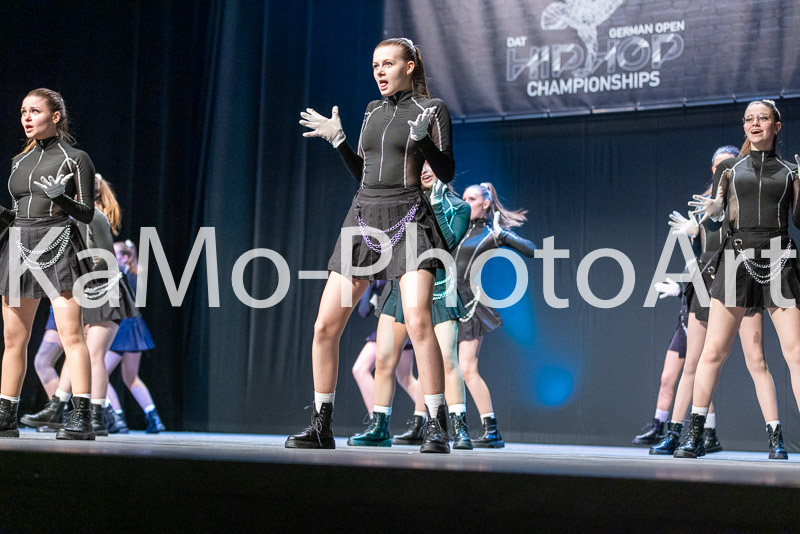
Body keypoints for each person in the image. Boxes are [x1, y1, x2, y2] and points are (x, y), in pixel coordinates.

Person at [288, 37, 455, 453]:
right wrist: (338, 142)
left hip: (409, 218)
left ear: (409, 66)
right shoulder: (371, 111)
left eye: (388, 64)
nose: (379, 71)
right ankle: (321, 424)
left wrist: (425, 142)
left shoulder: (432, 110)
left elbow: (447, 171)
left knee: (417, 321)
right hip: (363, 218)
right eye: (375, 65)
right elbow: (364, 173)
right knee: (325, 326)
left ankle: (437, 425)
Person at [677, 100, 798, 459]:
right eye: (749, 119)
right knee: (714, 351)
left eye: (763, 118)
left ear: (777, 125)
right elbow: (718, 217)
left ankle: (776, 439)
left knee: (795, 353)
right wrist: (715, 212)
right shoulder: (730, 168)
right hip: (737, 257)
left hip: (779, 258)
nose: (755, 123)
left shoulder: (791, 171)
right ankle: (694, 436)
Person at [644, 147, 781, 458]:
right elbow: (705, 252)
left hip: (739, 277)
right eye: (718, 167)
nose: (723, 171)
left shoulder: (748, 196)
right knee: (693, 362)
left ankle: (775, 438)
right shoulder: (707, 202)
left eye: (728, 165)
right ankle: (674, 433)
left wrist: (711, 224)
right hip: (707, 282)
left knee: (756, 360)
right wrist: (698, 233)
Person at [348, 162, 472, 449]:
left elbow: (445, 246)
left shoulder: (459, 207)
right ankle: (379, 427)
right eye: (420, 165)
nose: (425, 170)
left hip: (439, 290)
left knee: (447, 361)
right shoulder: (405, 204)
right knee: (383, 360)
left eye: (431, 164)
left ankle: (457, 429)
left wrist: (437, 206)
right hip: (399, 289)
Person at [0, 88, 96, 440]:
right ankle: (6, 415)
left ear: (55, 116)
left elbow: (87, 213)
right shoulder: (19, 161)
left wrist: (62, 198)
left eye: (35, 111)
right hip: (19, 245)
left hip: (58, 242)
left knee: (71, 334)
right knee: (13, 338)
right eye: (23, 111)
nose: (26, 117)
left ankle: (81, 416)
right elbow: (17, 212)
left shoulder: (76, 158)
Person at [455, 182, 537, 448]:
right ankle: (428, 423)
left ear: (486, 203)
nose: (465, 203)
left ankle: (491, 430)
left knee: (467, 368)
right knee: (438, 366)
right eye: (463, 198)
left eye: (472, 199)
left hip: (469, 304)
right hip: (445, 302)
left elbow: (533, 249)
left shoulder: (491, 234)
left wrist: (504, 235)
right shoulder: (456, 227)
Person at [104, 239, 164, 434]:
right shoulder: (137, 274)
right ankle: (153, 416)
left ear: (125, 257)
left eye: (114, 254)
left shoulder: (120, 275)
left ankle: (117, 417)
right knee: (131, 377)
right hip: (136, 328)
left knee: (99, 373)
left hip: (122, 328)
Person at [350, 280, 420, 418]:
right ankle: (429, 416)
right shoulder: (378, 278)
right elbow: (364, 310)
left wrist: (371, 290)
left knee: (360, 369)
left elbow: (364, 310)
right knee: (405, 378)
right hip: (399, 326)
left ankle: (376, 419)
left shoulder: (381, 277)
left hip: (394, 327)